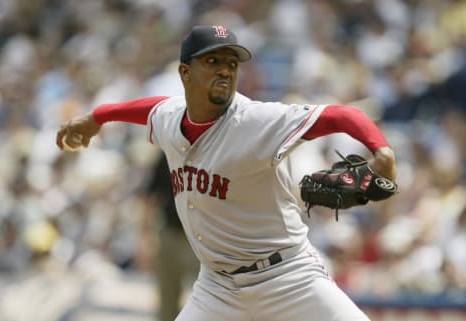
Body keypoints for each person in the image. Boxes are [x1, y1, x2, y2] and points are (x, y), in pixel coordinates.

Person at [57, 25, 396, 321]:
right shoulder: (170, 118)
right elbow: (149, 109)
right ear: (184, 73)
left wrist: (381, 150)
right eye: (212, 61)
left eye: (231, 64)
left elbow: (341, 115)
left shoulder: (257, 121)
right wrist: (96, 117)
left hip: (288, 276)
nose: (225, 71)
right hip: (218, 288)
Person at [144, 152, 199, 321]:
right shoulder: (169, 150)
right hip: (170, 234)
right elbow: (150, 196)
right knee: (167, 301)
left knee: (212, 302)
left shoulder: (217, 146)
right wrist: (145, 237)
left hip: (203, 239)